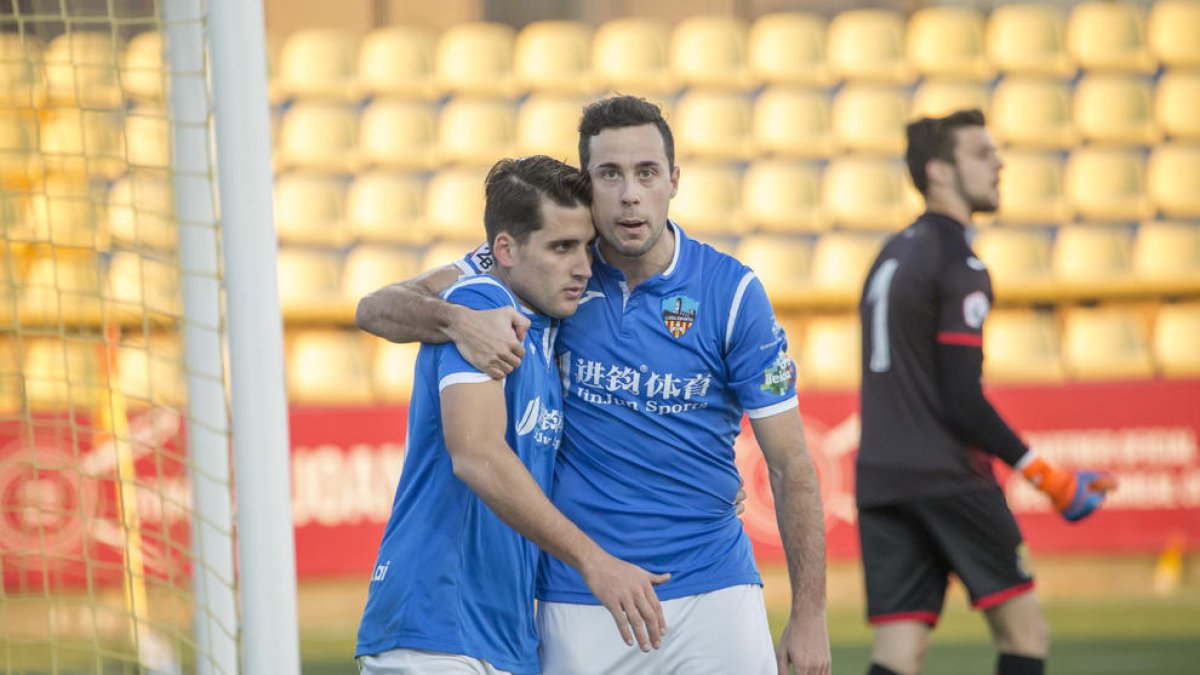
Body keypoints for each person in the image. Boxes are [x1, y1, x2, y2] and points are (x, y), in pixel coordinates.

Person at [356, 95, 832, 675]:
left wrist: (809, 616)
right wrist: (456, 320)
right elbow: (376, 307)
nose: (630, 192)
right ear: (590, 182)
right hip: (579, 598)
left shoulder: (731, 293)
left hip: (713, 582)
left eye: (646, 173)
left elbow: (791, 464)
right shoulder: (542, 276)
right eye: (610, 174)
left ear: (673, 181)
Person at [355, 155, 670, 675]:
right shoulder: (483, 301)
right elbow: (476, 456)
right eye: (561, 247)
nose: (583, 267)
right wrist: (596, 562)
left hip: (504, 641)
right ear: (503, 249)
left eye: (586, 247)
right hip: (437, 634)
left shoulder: (546, 329)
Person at [854, 109, 1117, 675]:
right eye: (980, 152)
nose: (999, 162)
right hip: (945, 476)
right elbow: (961, 399)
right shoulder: (959, 261)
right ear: (939, 172)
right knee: (1026, 633)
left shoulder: (891, 253)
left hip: (880, 478)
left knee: (899, 652)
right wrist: (1049, 477)